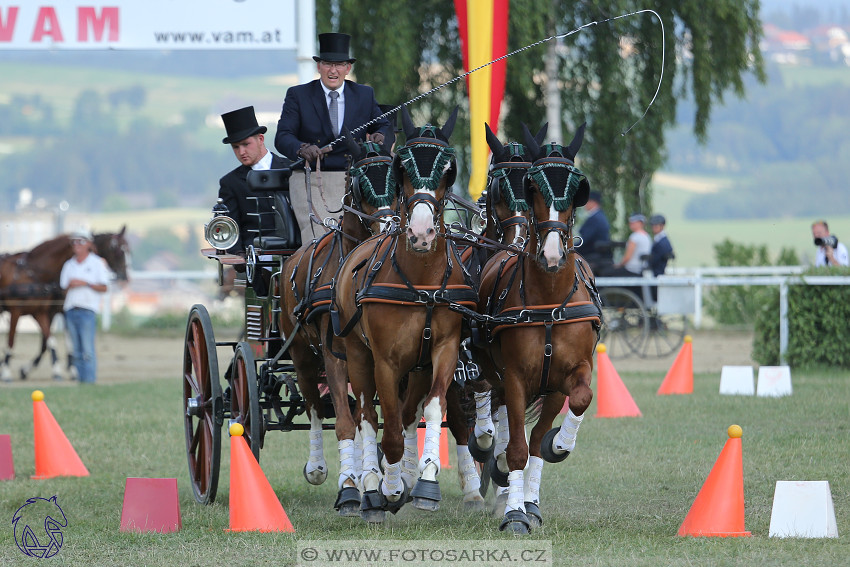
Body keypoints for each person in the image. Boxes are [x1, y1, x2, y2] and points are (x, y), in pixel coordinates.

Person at [275, 32, 394, 245]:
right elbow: (283, 137)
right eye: (328, 64)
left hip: (355, 180)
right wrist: (301, 148)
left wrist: (381, 136)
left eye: (339, 65)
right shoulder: (298, 95)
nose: (333, 70)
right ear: (319, 66)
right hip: (310, 178)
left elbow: (384, 124)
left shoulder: (364, 95)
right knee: (321, 241)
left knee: (368, 237)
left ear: (348, 68)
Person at [219, 105, 293, 255]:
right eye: (236, 147)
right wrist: (238, 255)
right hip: (254, 257)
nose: (241, 152)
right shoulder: (230, 183)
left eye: (246, 144)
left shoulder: (293, 169)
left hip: (296, 252)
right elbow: (229, 227)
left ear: (260, 139)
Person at [59, 231, 111, 383]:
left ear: (88, 244)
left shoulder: (96, 263)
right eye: (74, 242)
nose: (77, 245)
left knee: (87, 349)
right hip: (71, 309)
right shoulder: (69, 265)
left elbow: (104, 287)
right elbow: (63, 287)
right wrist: (71, 285)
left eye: (80, 242)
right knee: (75, 349)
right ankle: (81, 381)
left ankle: (89, 381)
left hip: (87, 310)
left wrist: (85, 283)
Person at [578, 190, 612, 273]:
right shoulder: (599, 216)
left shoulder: (595, 219)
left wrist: (571, 248)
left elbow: (586, 239)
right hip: (597, 252)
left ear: (593, 202)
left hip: (592, 253)